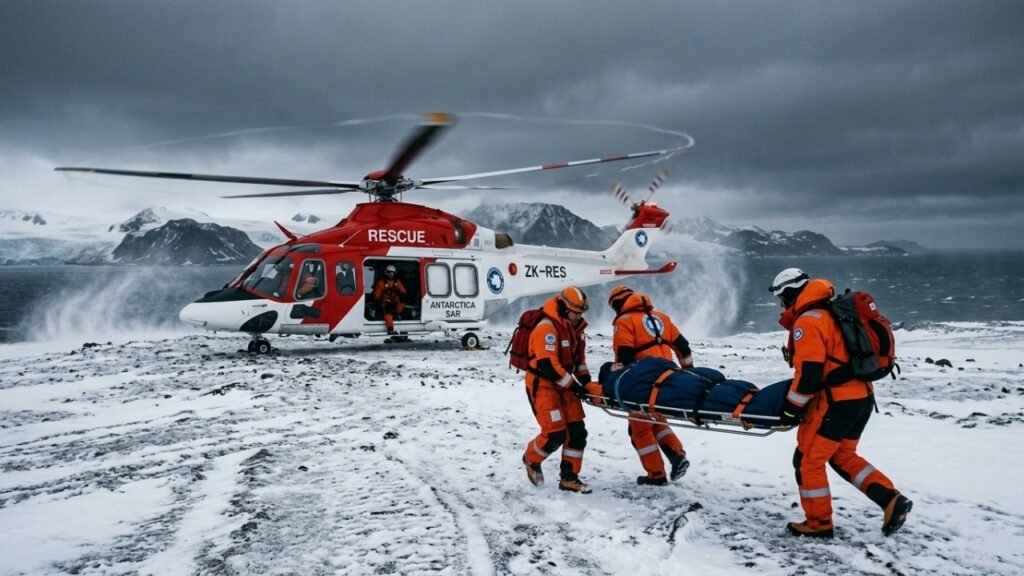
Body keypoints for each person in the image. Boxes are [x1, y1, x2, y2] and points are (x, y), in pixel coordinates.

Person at [770, 267, 912, 539]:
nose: (780, 305)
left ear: (790, 294)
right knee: (842, 456)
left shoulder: (809, 321)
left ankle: (818, 523)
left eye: (781, 298)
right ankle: (891, 500)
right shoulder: (834, 312)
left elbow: (809, 375)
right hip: (861, 398)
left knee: (807, 460)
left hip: (836, 403)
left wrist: (791, 409)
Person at [608, 286, 692, 486]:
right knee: (658, 421)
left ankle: (656, 475)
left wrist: (619, 380)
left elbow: (625, 356)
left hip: (643, 383)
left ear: (618, 304)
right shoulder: (661, 317)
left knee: (640, 430)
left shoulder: (624, 321)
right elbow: (683, 347)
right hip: (669, 380)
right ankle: (677, 455)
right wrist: (689, 374)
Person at [522, 286, 593, 493]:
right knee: (555, 434)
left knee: (577, 432)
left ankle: (569, 478)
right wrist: (574, 386)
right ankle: (531, 459)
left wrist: (586, 383)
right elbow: (548, 366)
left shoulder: (576, 329)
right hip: (543, 384)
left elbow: (579, 361)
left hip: (564, 384)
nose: (578, 317)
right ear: (563, 307)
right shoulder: (546, 328)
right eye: (575, 312)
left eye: (581, 313)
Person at [373, 264, 407, 335]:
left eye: (392, 273)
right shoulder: (381, 282)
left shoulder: (397, 282)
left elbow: (403, 290)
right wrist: (378, 300)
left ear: (394, 273)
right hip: (386, 302)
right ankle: (390, 328)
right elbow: (377, 294)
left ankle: (397, 314)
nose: (391, 274)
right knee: (389, 311)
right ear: (386, 273)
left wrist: (403, 295)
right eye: (389, 272)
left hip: (395, 301)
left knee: (402, 303)